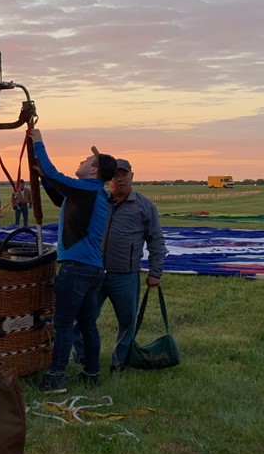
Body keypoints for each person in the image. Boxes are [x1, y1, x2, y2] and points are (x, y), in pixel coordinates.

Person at [28, 129, 116, 393]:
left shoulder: (88, 190)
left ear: (94, 171)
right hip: (92, 270)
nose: (80, 162)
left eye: (85, 161)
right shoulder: (91, 194)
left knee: (64, 324)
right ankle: (92, 373)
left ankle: (55, 377)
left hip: (75, 270)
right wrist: (43, 178)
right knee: (88, 324)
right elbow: (59, 197)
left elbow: (58, 177)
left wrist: (38, 143)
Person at [72, 158, 167, 371]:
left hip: (125, 275)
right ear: (108, 179)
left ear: (132, 177)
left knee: (126, 323)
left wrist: (155, 272)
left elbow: (156, 241)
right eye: (115, 175)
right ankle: (83, 359)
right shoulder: (98, 202)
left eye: (124, 175)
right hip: (95, 272)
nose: (120, 180)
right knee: (81, 319)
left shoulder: (143, 206)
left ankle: (119, 363)